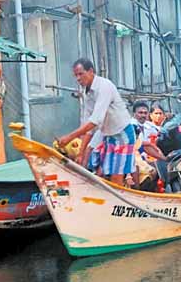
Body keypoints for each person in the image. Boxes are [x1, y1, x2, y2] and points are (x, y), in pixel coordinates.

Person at [57, 58, 135, 186]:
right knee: (104, 173)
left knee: (117, 176)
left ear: (91, 71)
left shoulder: (104, 86)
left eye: (81, 74)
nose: (78, 78)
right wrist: (80, 153)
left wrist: (69, 137)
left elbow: (95, 121)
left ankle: (117, 203)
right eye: (76, 75)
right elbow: (88, 126)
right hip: (108, 135)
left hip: (122, 133)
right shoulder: (86, 92)